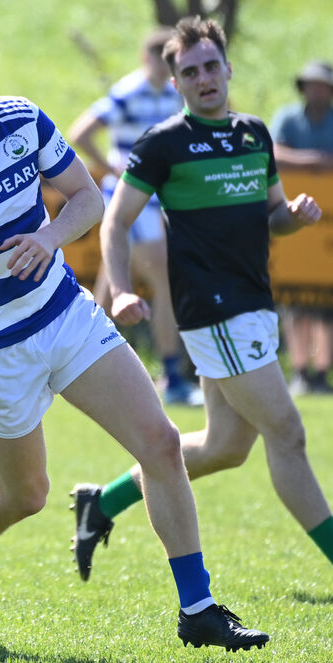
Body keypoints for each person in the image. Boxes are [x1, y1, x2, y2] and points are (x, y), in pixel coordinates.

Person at [0, 23, 268, 651]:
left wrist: (49, 238)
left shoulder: (21, 121)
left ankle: (197, 608)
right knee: (26, 495)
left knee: (162, 443)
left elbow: (87, 198)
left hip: (65, 315)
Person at [74, 17, 333, 592]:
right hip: (213, 312)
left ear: (227, 68)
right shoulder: (163, 144)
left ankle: (102, 502)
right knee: (287, 432)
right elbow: (115, 223)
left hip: (254, 302)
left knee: (225, 448)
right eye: (190, 72)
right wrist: (121, 288)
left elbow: (273, 214)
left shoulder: (254, 134)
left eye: (211, 65)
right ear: (176, 84)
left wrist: (295, 216)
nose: (204, 77)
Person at [68, 27, 202, 406]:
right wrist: (111, 168)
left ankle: (80, 369)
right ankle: (172, 376)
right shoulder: (130, 91)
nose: (165, 66)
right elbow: (81, 132)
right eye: (161, 58)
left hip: (153, 202)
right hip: (129, 201)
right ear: (147, 59)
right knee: (162, 279)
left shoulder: (175, 93)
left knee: (110, 287)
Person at [271, 60, 333, 396]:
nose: (317, 90)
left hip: (328, 228)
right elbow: (272, 152)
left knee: (325, 305)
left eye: (323, 84)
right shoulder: (287, 118)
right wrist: (313, 161)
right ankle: (299, 371)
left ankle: (322, 372)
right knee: (295, 302)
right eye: (312, 84)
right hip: (294, 223)